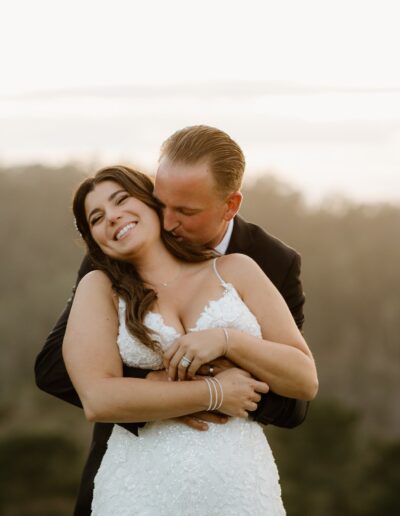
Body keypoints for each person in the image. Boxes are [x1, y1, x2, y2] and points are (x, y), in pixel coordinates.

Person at [35, 125, 310, 514]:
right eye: (161, 202)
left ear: (230, 206)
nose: (166, 221)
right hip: (139, 470)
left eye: (185, 211)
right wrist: (175, 390)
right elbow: (55, 371)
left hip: (235, 478)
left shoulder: (265, 263)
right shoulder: (107, 267)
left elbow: (296, 398)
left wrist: (229, 352)